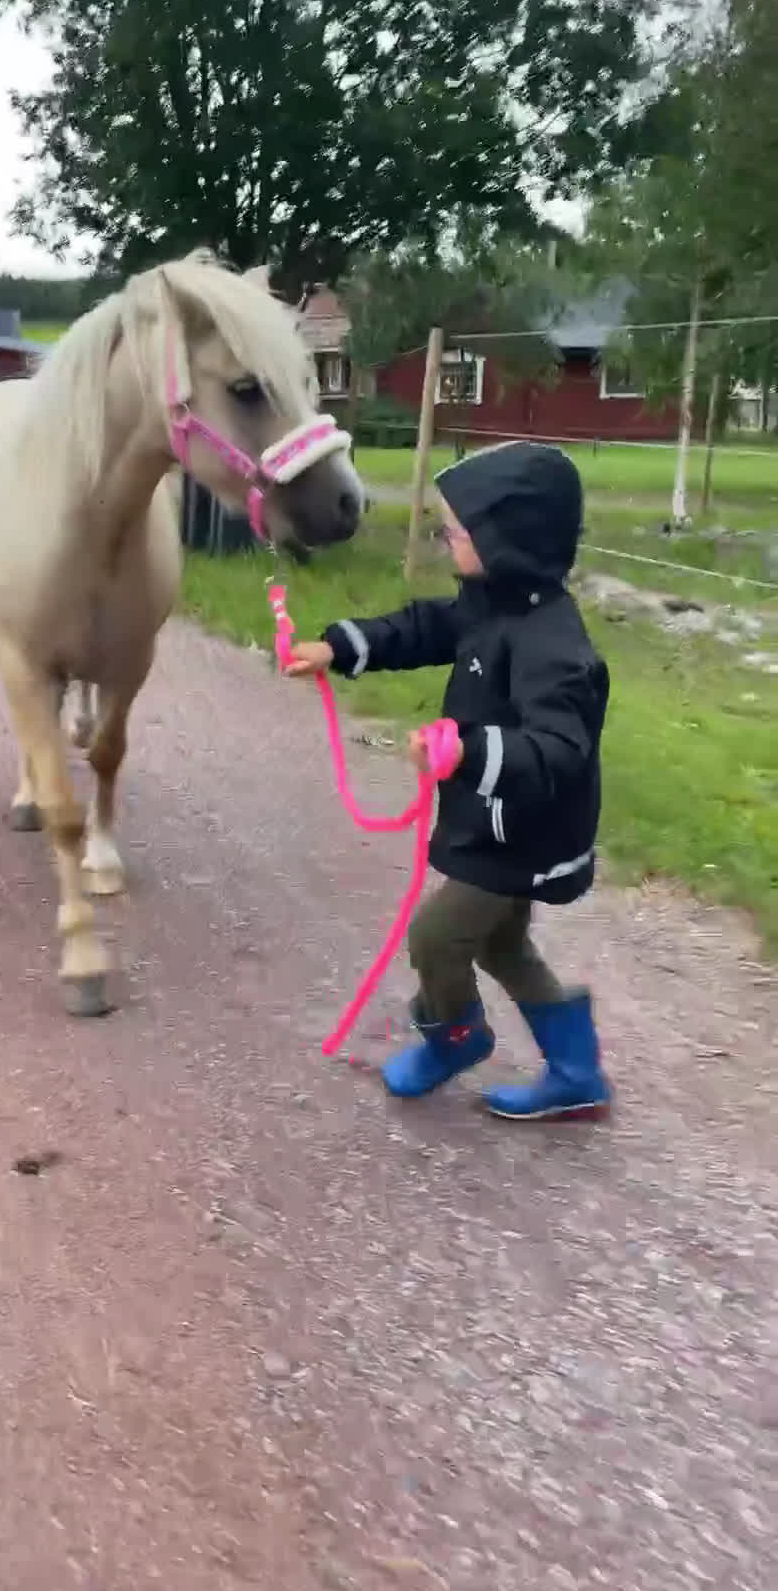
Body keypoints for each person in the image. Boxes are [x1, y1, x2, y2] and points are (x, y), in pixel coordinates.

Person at [285, 440, 612, 1120]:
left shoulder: (554, 644)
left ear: (507, 539)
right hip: (495, 818)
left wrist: (467, 750)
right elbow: (424, 626)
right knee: (500, 942)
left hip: (520, 829)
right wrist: (339, 646)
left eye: (456, 530)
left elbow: (558, 748)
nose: (445, 538)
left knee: (436, 937)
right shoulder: (491, 603)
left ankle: (455, 1036)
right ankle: (577, 1072)